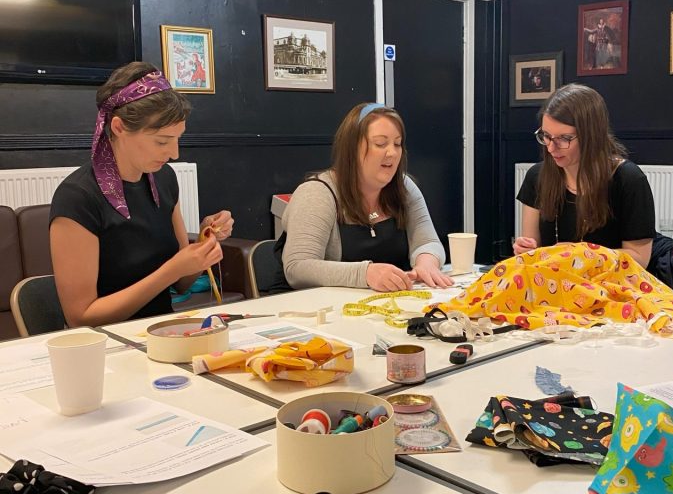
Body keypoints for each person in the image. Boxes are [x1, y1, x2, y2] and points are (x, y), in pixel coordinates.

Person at [50, 61, 234, 326]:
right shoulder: (78, 197)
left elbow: (182, 283)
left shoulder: (165, 180)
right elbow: (81, 317)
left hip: (164, 332)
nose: (174, 153)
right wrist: (169, 271)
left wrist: (204, 241)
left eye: (177, 138)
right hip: (105, 347)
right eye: (162, 141)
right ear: (119, 128)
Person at [278, 102, 452, 292]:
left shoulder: (404, 187)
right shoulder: (317, 194)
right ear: (352, 149)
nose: (392, 153)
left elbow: (428, 242)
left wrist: (427, 263)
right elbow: (297, 268)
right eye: (380, 144)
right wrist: (366, 273)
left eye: (397, 143)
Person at [513, 84, 655, 269]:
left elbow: (640, 259)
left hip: (609, 287)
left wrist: (579, 254)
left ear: (592, 136)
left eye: (564, 138)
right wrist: (527, 250)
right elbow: (534, 250)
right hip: (554, 285)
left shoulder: (628, 179)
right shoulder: (537, 176)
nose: (550, 148)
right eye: (546, 136)